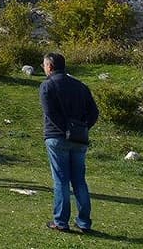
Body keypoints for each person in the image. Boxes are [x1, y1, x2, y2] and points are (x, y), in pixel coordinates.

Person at [40, 52, 99, 234]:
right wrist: (82, 128)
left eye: (44, 65)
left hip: (57, 137)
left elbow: (50, 113)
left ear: (49, 66)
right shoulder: (80, 86)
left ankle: (61, 221)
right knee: (79, 181)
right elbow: (94, 112)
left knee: (61, 180)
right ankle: (83, 222)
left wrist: (65, 130)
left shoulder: (47, 85)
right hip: (79, 138)